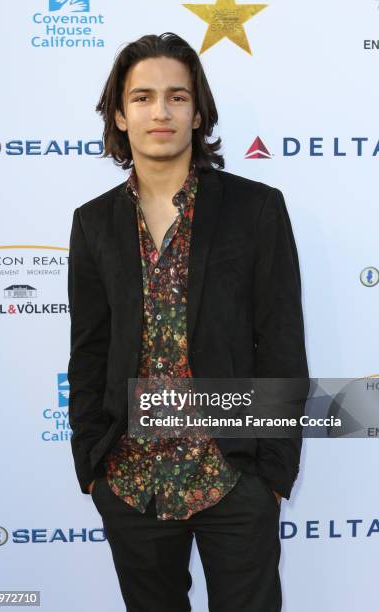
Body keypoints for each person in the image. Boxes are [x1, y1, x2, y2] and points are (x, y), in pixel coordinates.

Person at [67, 32, 309, 612]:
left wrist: (271, 474)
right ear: (120, 115)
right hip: (129, 479)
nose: (161, 111)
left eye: (177, 97)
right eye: (143, 97)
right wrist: (91, 465)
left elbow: (281, 344)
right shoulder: (93, 223)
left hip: (233, 472)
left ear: (198, 112)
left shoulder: (256, 209)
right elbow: (89, 351)